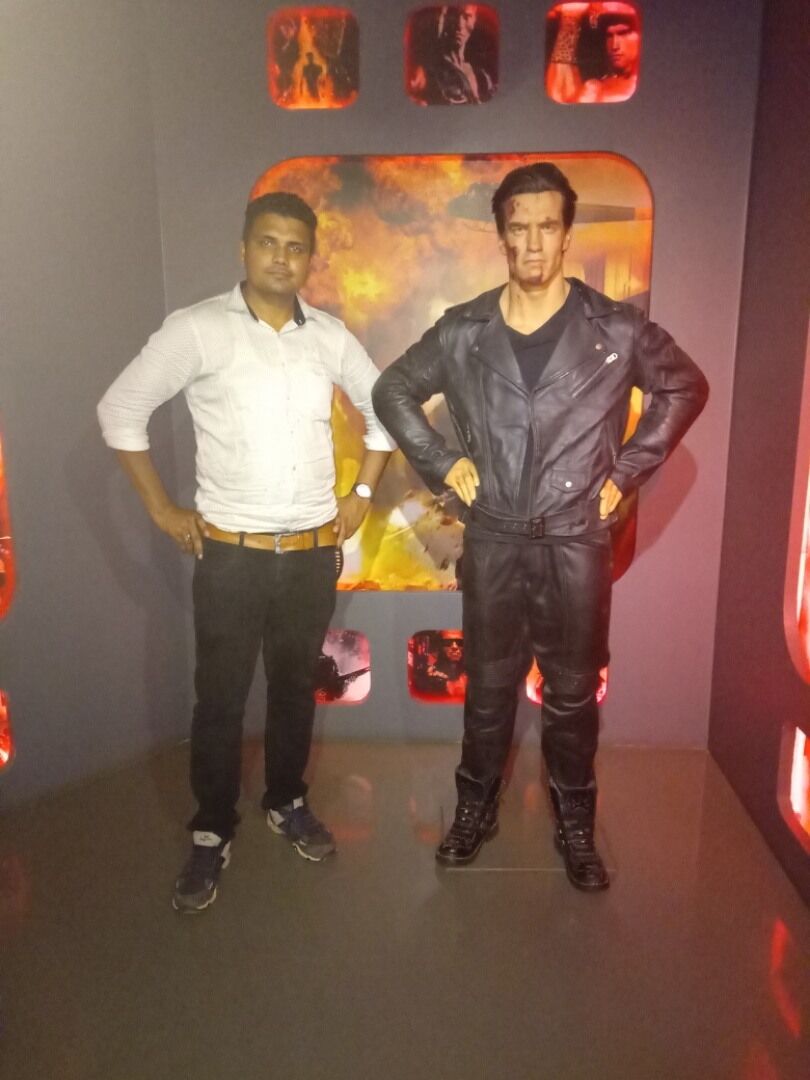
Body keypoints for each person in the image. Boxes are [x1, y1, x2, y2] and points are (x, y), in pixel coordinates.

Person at [373, 163, 708, 890]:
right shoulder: (463, 330)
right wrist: (441, 461)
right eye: (517, 227)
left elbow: (685, 385)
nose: (531, 242)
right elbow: (392, 388)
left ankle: (576, 824)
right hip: (493, 537)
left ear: (566, 236)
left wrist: (627, 470)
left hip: (573, 540)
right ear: (501, 236)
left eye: (546, 226)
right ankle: (474, 809)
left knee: (573, 693)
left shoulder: (615, 327)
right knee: (487, 689)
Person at [98, 191, 392, 912]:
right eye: (268, 242)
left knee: (295, 688)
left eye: (295, 247)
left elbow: (386, 407)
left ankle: (287, 801)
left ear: (310, 258)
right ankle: (211, 828)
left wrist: (362, 492)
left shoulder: (328, 337)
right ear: (243, 248)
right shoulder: (198, 329)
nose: (281, 258)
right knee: (221, 699)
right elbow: (120, 410)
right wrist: (161, 509)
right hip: (232, 556)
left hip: (310, 554)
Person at [546, 2, 640, 104]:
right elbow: (561, 98)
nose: (614, 46)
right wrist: (570, 20)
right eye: (609, 36)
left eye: (623, 33)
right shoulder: (595, 87)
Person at [413, 5, 495, 106]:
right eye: (454, 16)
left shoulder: (482, 77)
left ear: (474, 21)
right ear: (444, 20)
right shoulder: (427, 74)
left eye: (467, 17)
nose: (460, 24)